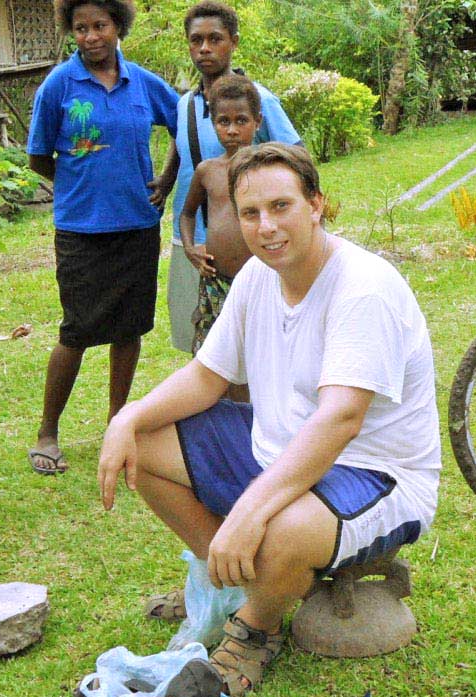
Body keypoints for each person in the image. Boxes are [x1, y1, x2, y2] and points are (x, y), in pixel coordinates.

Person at [99, 144, 441, 697]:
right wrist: (127, 419)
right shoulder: (258, 277)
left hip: (375, 472)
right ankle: (248, 588)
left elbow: (340, 420)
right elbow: (207, 377)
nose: (266, 227)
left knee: (280, 527)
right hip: (279, 449)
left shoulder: (363, 288)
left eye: (281, 206)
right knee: (145, 444)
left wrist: (251, 512)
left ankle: (255, 628)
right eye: (250, 213)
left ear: (317, 205)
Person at [25, 0, 179, 476]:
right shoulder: (59, 85)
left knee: (129, 328)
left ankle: (118, 421)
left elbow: (186, 125)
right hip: (82, 229)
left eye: (100, 26)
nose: (91, 36)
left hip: (137, 224)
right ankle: (48, 431)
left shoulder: (144, 84)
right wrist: (79, 185)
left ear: (118, 27)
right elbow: (38, 156)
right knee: (76, 331)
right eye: (81, 28)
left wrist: (167, 180)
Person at [161, 0, 301, 354]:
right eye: (196, 40)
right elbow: (182, 143)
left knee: (260, 342)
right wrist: (165, 179)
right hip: (193, 245)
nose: (205, 48)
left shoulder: (257, 100)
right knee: (200, 340)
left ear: (233, 42)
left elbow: (298, 157)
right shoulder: (185, 104)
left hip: (252, 246)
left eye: (215, 39)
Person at [177, 74, 258, 362]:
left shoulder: (269, 168)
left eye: (241, 121)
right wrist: (190, 248)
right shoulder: (207, 171)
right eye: (224, 122)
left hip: (261, 280)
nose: (233, 130)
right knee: (214, 357)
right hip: (215, 281)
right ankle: (222, 407)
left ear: (257, 122)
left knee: (257, 353)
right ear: (214, 124)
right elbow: (187, 214)